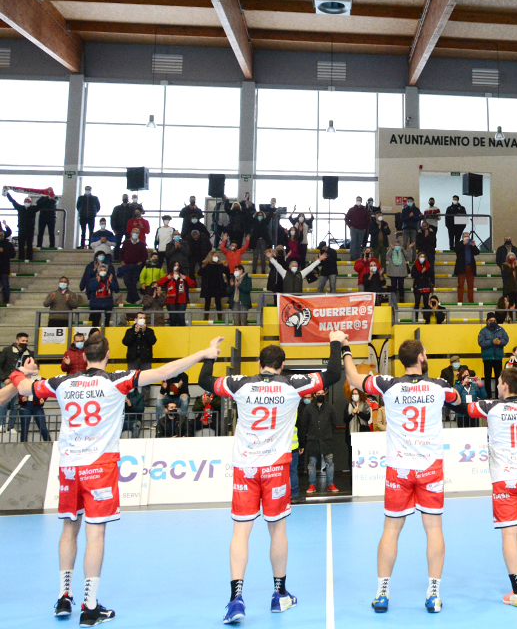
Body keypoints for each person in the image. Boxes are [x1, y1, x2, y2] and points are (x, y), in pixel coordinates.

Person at [8, 335, 221, 625]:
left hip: (69, 465)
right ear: (107, 355)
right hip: (99, 466)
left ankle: (63, 597)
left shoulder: (62, 382)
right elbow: (163, 373)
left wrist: (21, 369)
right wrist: (203, 353)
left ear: (83, 356)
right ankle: (90, 606)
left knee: (69, 529)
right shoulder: (115, 381)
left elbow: (22, 387)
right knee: (95, 534)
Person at [201, 335, 344, 623]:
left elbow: (206, 381)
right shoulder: (292, 385)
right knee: (277, 530)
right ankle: (279, 595)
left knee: (241, 532)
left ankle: (235, 600)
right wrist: (335, 343)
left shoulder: (240, 384)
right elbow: (333, 374)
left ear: (259, 364)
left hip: (245, 468)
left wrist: (210, 354)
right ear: (282, 366)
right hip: (276, 468)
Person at [342, 338, 460, 613]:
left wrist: (345, 349)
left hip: (399, 469)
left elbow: (353, 377)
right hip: (430, 467)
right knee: (434, 529)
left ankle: (382, 592)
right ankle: (433, 594)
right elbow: (459, 401)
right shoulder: (439, 386)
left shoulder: (388, 384)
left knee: (391, 530)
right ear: (420, 358)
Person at [465, 369, 517, 607]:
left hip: (504, 478)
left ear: (503, 386)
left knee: (509, 533)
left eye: (500, 382)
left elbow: (462, 407)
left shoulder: (490, 407)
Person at [299, 388, 339, 494]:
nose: (320, 395)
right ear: (315, 395)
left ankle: (330, 484)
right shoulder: (308, 408)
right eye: (318, 394)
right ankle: (312, 485)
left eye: (322, 393)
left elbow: (334, 423)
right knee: (311, 464)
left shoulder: (330, 407)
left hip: (327, 441)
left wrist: (328, 433)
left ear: (325, 394)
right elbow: (304, 424)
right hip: (313, 440)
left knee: (330, 463)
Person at [477, 313, 509, 398]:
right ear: (487, 321)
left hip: (498, 357)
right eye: (491, 321)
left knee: (499, 378)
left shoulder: (501, 329)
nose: (493, 322)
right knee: (487, 377)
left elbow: (506, 339)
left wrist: (500, 342)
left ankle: (498, 395)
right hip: (487, 358)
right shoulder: (483, 331)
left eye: (494, 320)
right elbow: (481, 342)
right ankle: (488, 396)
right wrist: (492, 342)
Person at [5, 190, 38, 261]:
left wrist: (48, 198)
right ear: (24, 202)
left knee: (29, 245)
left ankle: (29, 258)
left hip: (30, 229)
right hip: (22, 229)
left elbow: (41, 205)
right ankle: (21, 258)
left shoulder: (33, 209)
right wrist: (7, 194)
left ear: (30, 202)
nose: (27, 203)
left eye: (28, 202)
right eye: (26, 201)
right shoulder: (20, 208)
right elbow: (13, 201)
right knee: (21, 245)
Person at [199, 250, 230, 322]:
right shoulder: (206, 265)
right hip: (208, 286)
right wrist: (202, 267)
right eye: (215, 256)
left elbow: (226, 272)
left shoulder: (220, 265)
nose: (216, 257)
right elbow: (199, 273)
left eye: (217, 256)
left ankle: (220, 317)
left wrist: (226, 267)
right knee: (207, 303)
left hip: (217, 286)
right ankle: (206, 317)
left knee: (218, 302)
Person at [86, 262, 119, 328]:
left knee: (106, 323)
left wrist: (111, 282)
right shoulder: (93, 280)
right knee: (95, 323)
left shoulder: (110, 280)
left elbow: (116, 289)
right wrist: (97, 281)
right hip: (96, 305)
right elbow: (92, 288)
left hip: (107, 304)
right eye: (101, 270)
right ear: (98, 271)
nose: (103, 271)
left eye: (104, 270)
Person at [454, 232, 479, 304]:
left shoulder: (471, 245)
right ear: (462, 237)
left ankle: (471, 301)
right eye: (465, 236)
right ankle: (460, 301)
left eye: (468, 236)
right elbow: (456, 250)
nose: (467, 238)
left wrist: (474, 245)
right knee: (461, 285)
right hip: (462, 267)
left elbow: (477, 252)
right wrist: (463, 244)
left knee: (471, 285)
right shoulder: (459, 244)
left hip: (470, 267)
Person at [345, 196, 371, 261]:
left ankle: (358, 258)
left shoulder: (365, 210)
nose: (358, 201)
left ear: (361, 201)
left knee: (359, 244)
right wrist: (350, 226)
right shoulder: (351, 209)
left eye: (359, 200)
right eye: (357, 200)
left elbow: (368, 220)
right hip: (353, 229)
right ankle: (352, 257)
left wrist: (365, 228)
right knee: (353, 242)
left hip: (362, 230)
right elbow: (346, 218)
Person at [501, 252, 517, 321]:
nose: (511, 259)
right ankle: (511, 317)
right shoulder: (505, 266)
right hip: (510, 288)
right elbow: (506, 274)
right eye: (510, 258)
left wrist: (516, 266)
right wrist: (512, 267)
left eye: (513, 257)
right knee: (511, 303)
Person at [385, 238, 409, 302]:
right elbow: (388, 255)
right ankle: (393, 299)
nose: (397, 246)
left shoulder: (402, 250)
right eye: (396, 245)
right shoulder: (392, 250)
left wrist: (409, 248)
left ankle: (401, 298)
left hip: (401, 272)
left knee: (401, 286)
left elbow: (408, 255)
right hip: (393, 272)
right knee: (394, 286)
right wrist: (392, 248)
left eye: (398, 245)